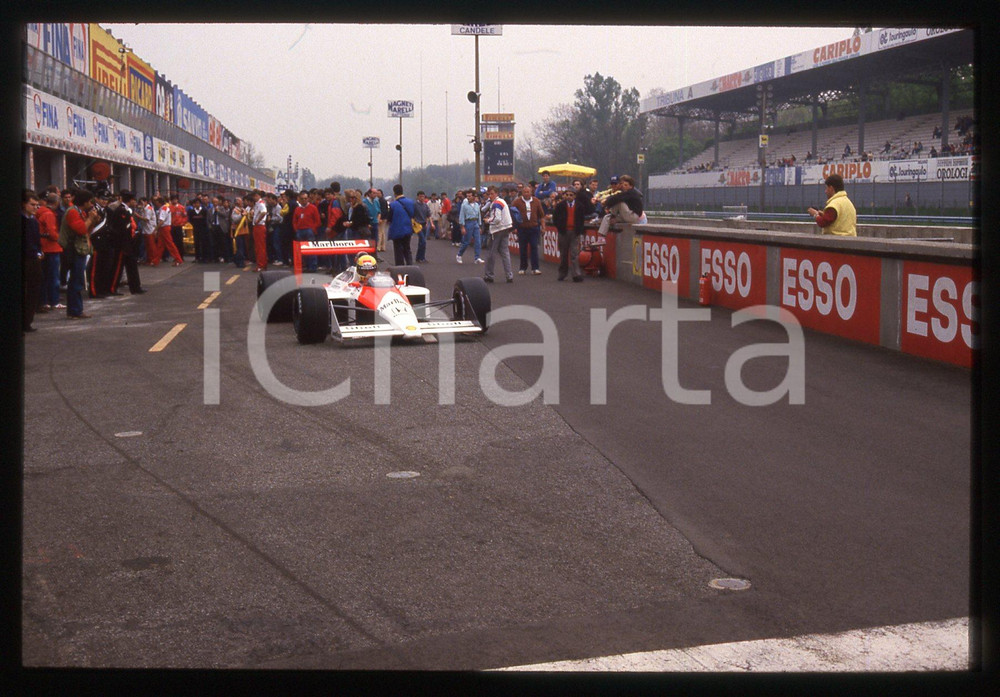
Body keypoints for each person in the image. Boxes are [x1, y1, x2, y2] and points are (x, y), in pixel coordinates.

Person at [58, 189, 100, 319]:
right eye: (90, 202)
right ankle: (75, 310)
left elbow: (88, 229)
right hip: (74, 250)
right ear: (85, 202)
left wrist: (93, 221)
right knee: (76, 281)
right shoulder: (72, 212)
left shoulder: (79, 212)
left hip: (79, 249)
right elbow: (81, 229)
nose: (91, 205)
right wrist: (90, 218)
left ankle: (77, 309)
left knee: (78, 280)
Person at [107, 190, 145, 295]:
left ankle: (136, 287)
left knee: (132, 265)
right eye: (134, 200)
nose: (135, 202)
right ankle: (112, 288)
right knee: (118, 267)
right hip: (122, 244)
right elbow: (121, 229)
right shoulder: (121, 211)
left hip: (129, 243)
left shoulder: (127, 210)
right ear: (131, 200)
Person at [482, 186, 514, 283]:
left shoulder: (496, 203)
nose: (490, 196)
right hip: (505, 228)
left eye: (492, 193)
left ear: (496, 193)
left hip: (497, 229)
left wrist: (488, 220)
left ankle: (489, 275)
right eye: (489, 194)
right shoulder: (501, 201)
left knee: (491, 253)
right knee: (505, 252)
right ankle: (509, 275)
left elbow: (497, 218)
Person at [37, 191, 63, 311]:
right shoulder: (49, 214)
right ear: (57, 203)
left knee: (44, 277)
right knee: (53, 277)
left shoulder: (40, 212)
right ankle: (54, 301)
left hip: (43, 247)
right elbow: (52, 233)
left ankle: (44, 301)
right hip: (52, 248)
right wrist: (60, 239)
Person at [511, 185, 545, 275]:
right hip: (522, 228)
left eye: (528, 192)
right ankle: (523, 267)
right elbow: (512, 215)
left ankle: (535, 268)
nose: (526, 194)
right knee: (523, 248)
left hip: (534, 228)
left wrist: (543, 227)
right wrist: (514, 228)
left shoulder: (536, 201)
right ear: (522, 193)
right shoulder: (517, 202)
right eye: (525, 192)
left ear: (531, 192)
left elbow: (541, 215)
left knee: (534, 247)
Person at [22, 190, 43, 332]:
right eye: (32, 204)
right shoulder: (21, 221)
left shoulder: (33, 221)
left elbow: (37, 239)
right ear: (23, 204)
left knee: (33, 291)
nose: (35, 208)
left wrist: (40, 252)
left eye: (37, 205)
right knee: (23, 292)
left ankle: (27, 322)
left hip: (34, 259)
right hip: (24, 259)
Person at [553, 188, 583, 282]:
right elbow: (555, 218)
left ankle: (576, 274)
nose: (569, 197)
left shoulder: (580, 206)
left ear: (574, 196)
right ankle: (562, 273)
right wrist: (560, 228)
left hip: (575, 232)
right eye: (567, 195)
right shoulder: (560, 206)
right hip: (564, 232)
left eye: (571, 195)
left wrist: (579, 230)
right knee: (563, 254)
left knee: (574, 254)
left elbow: (582, 219)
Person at [387, 184, 416, 266]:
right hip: (408, 229)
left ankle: (400, 268)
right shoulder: (411, 202)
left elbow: (389, 218)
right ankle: (410, 265)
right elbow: (413, 214)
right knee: (407, 249)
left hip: (397, 230)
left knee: (398, 251)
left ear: (394, 193)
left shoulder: (393, 205)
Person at [456, 189, 483, 264]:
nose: (468, 197)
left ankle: (477, 257)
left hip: (475, 222)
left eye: (470, 196)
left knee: (478, 241)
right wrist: (462, 227)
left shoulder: (477, 205)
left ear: (474, 196)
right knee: (466, 242)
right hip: (468, 222)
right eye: (467, 196)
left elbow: (479, 215)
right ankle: (459, 255)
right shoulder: (464, 205)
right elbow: (461, 216)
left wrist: (479, 225)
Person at [252, 190, 270, 271]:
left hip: (259, 226)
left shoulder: (261, 203)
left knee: (260, 247)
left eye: (254, 196)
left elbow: (264, 212)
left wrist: (258, 220)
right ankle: (262, 264)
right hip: (258, 226)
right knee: (259, 246)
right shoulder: (258, 203)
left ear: (257, 195)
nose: (253, 197)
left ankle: (261, 265)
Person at [413, 191, 431, 263]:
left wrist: (428, 222)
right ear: (417, 197)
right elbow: (412, 214)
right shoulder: (415, 205)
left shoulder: (425, 205)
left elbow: (428, 214)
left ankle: (420, 257)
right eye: (420, 196)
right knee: (423, 241)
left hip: (424, 224)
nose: (422, 198)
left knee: (422, 241)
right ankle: (420, 257)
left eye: (423, 196)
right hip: (417, 225)